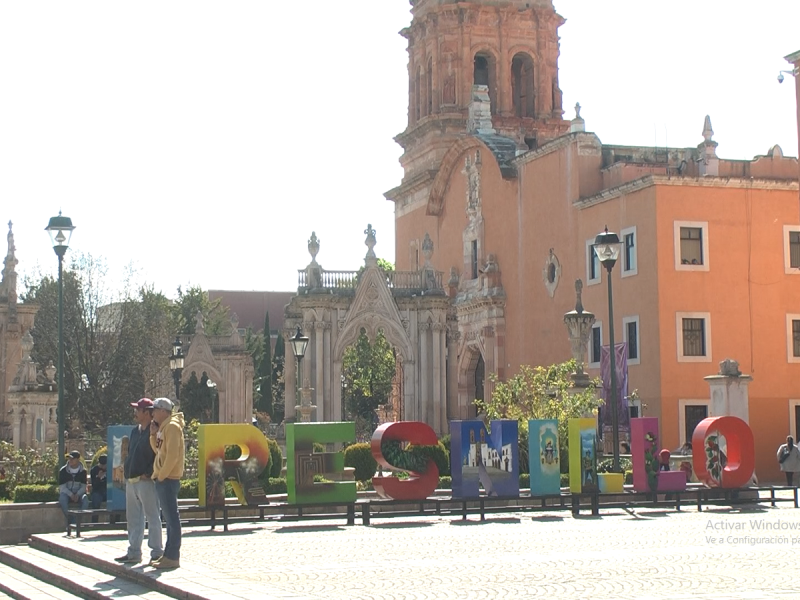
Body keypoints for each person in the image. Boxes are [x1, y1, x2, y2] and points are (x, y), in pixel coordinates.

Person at [115, 398, 163, 566]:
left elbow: (159, 454)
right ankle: (134, 551)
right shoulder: (135, 431)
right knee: (134, 518)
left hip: (146, 481)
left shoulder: (156, 431)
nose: (135, 413)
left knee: (152, 516)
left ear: (147, 413)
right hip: (132, 480)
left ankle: (157, 551)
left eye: (138, 410)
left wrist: (149, 473)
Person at [150, 397, 185, 570]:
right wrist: (152, 435)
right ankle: (168, 554)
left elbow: (172, 456)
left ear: (164, 411)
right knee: (170, 519)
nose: (153, 413)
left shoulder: (171, 427)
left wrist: (162, 475)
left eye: (155, 409)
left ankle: (172, 556)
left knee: (172, 519)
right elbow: (159, 451)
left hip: (168, 479)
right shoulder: (164, 428)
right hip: (164, 478)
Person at [58, 450, 89, 529]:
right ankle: (70, 520)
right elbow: (62, 487)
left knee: (85, 500)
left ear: (78, 460)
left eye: (72, 459)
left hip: (79, 493)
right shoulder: (63, 471)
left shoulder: (83, 471)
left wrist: (78, 494)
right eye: (69, 459)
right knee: (62, 499)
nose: (70, 460)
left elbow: (83, 486)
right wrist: (71, 495)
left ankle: (75, 522)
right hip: (67, 493)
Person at [89, 454, 108, 523]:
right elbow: (94, 485)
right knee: (96, 499)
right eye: (102, 465)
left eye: (105, 465)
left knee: (116, 498)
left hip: (107, 491)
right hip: (97, 491)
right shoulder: (94, 470)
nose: (104, 467)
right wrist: (98, 478)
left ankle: (115, 521)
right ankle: (94, 522)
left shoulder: (110, 469)